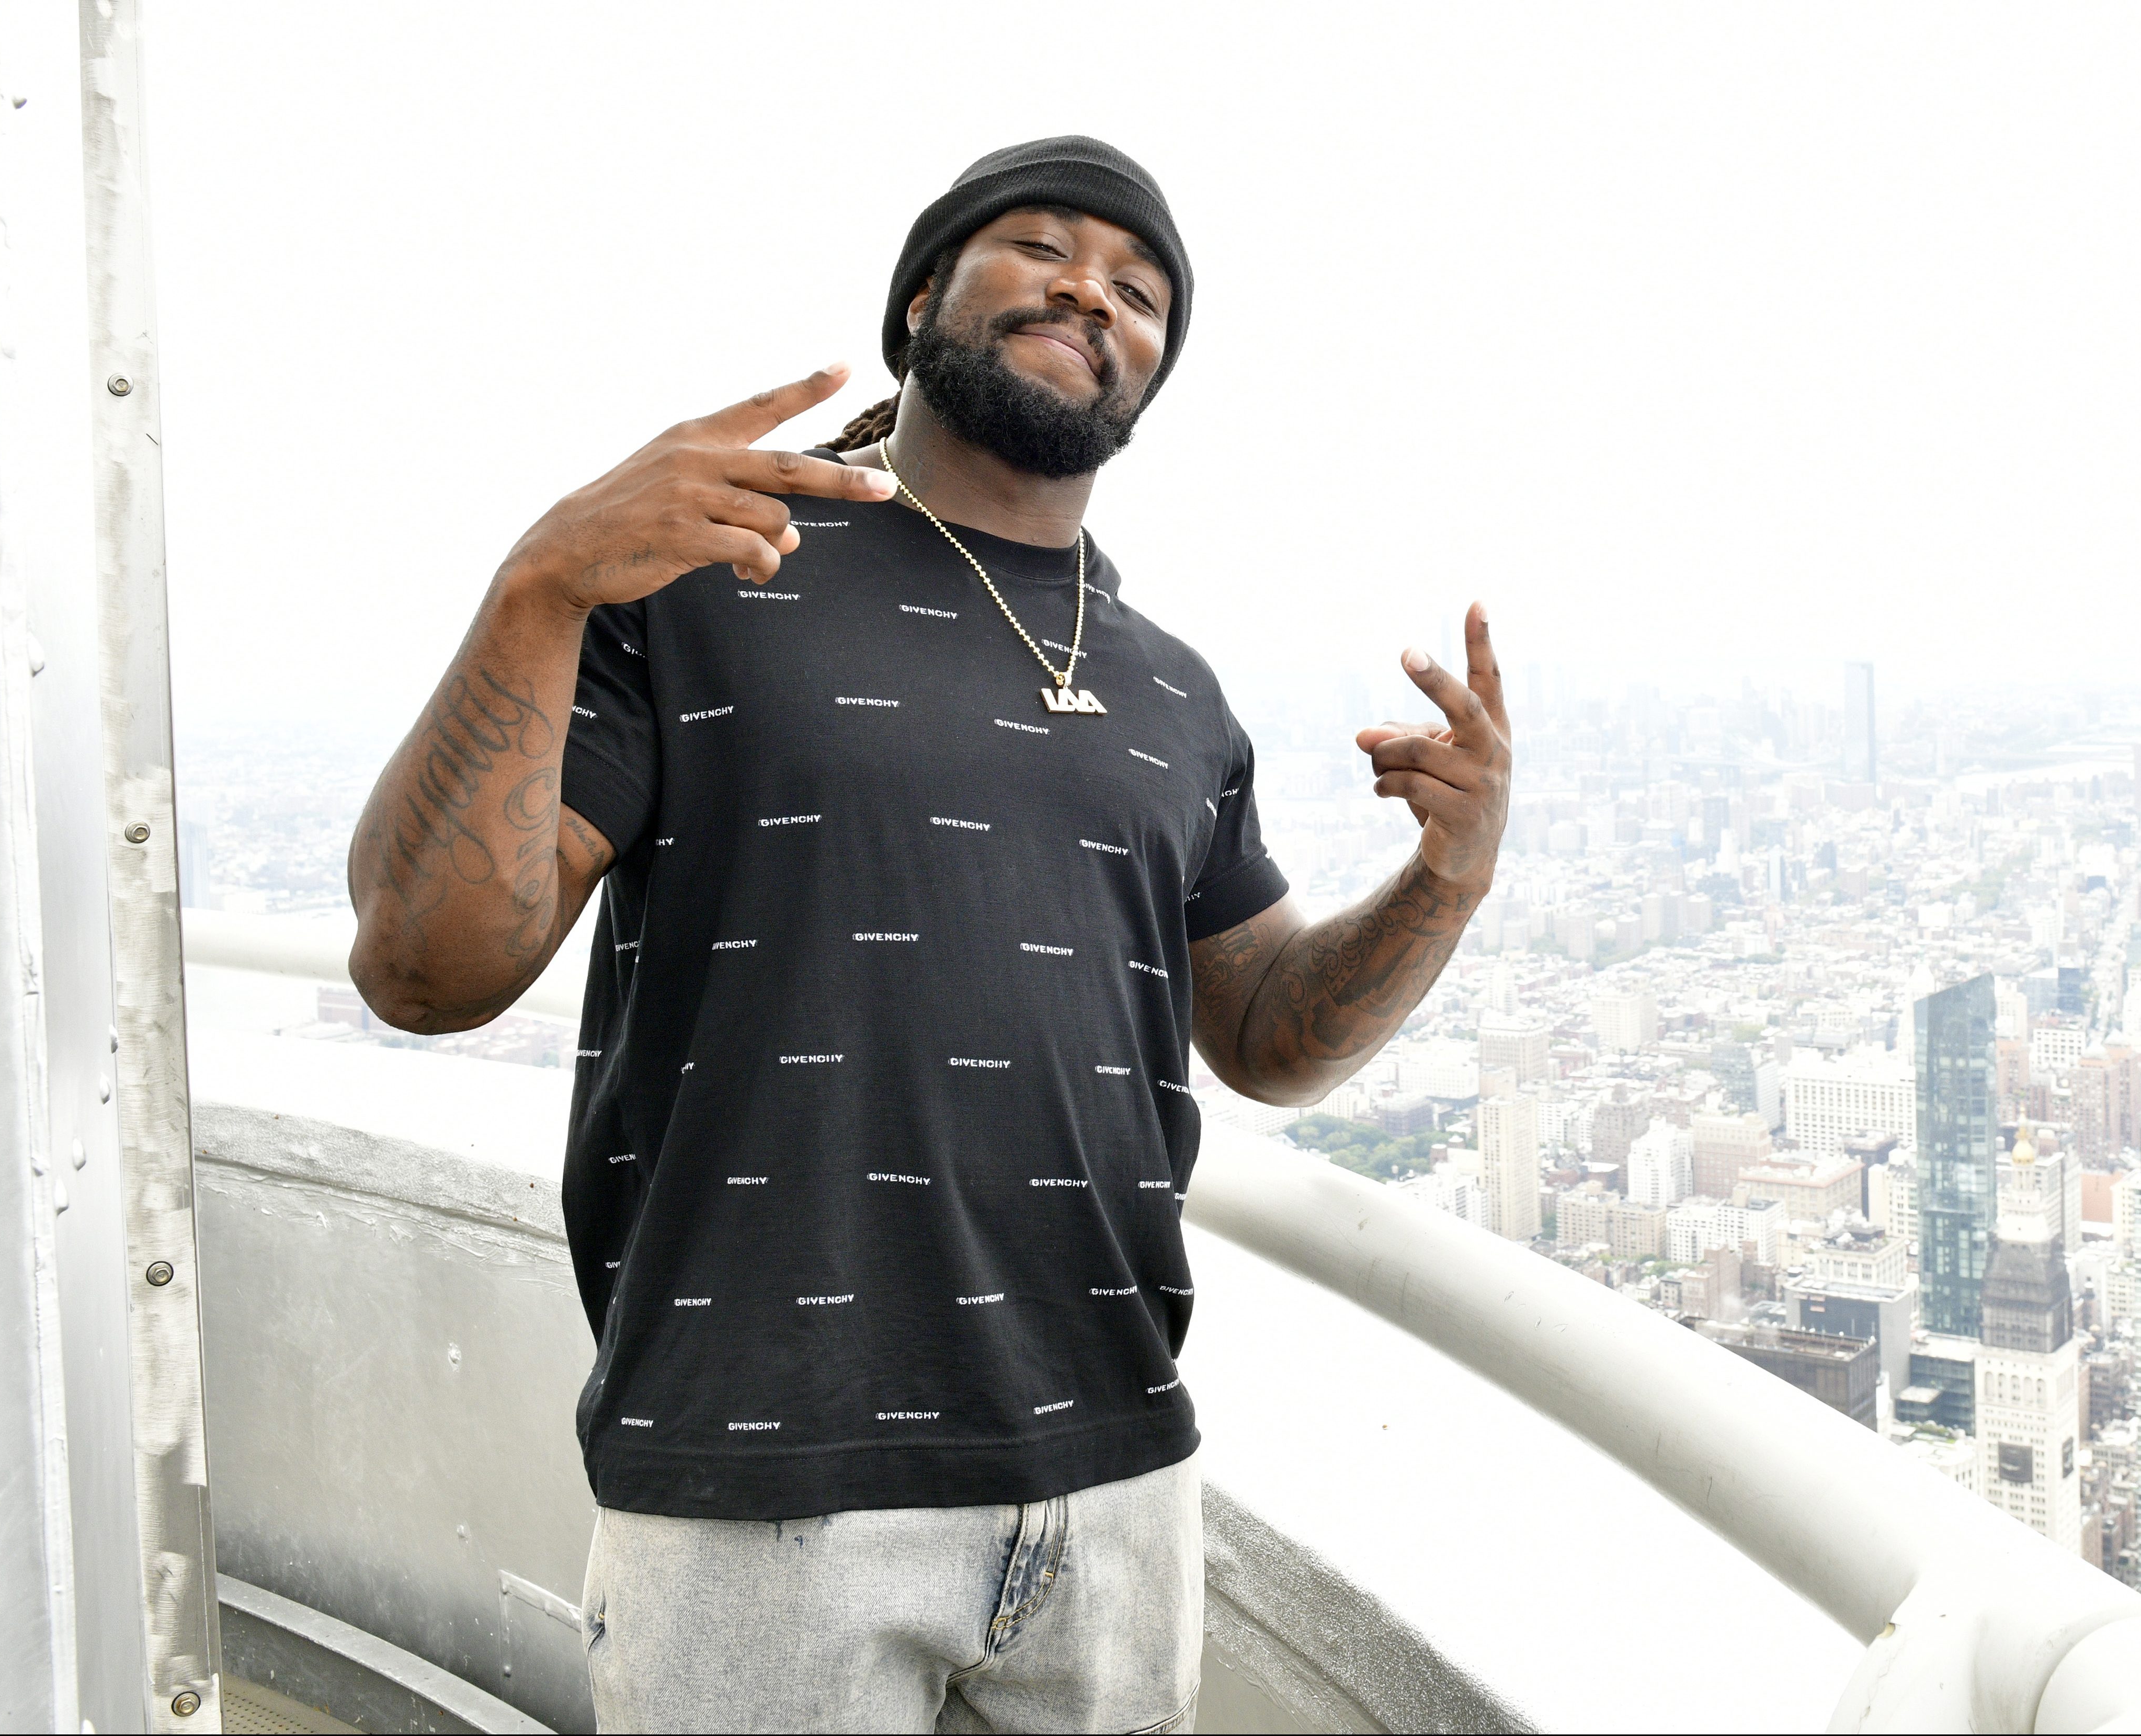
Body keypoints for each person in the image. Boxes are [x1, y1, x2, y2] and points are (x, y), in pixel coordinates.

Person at [346, 135, 1511, 1734]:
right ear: (917, 309)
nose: (1087, 289)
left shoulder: (1173, 690)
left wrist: (1445, 878)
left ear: (1152, 374)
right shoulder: (702, 574)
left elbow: (1266, 1041)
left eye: (1139, 289)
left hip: (1112, 1471)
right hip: (765, 1476)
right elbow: (426, 969)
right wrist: (540, 586)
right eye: (1036, 247)